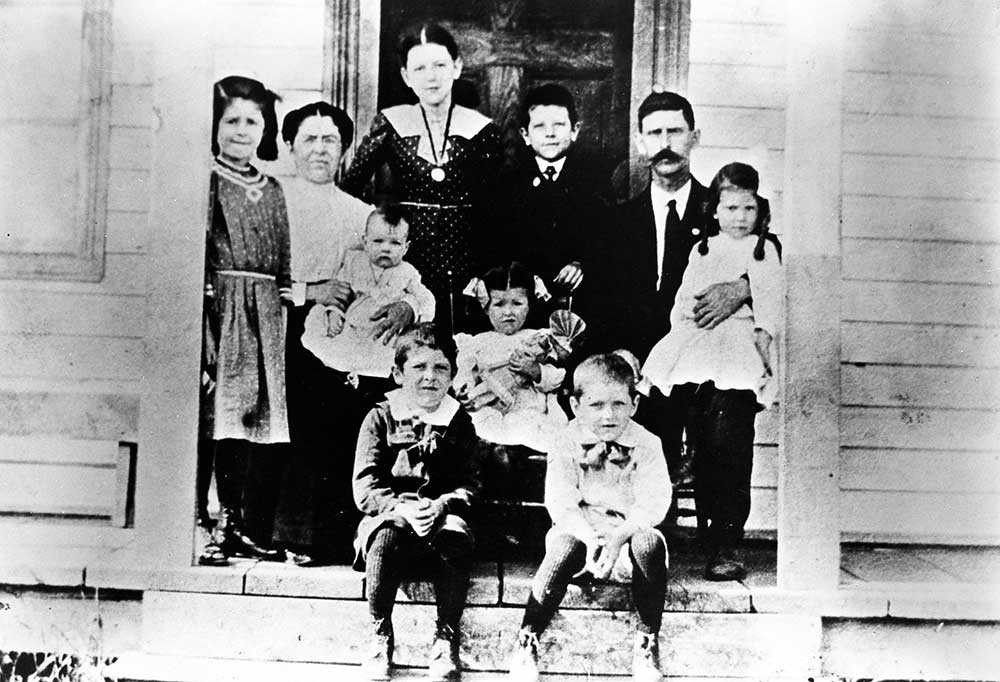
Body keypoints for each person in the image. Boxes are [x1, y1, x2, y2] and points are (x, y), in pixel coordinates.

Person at [598, 91, 779, 490]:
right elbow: (604, 300)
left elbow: (767, 247)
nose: (665, 143)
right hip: (643, 354)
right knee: (636, 423)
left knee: (727, 415)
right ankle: (649, 540)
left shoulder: (721, 209)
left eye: (675, 131)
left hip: (710, 347)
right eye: (655, 133)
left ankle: (722, 547)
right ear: (641, 141)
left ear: (694, 137)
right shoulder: (617, 222)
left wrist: (743, 287)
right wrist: (622, 352)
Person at [642, 163, 782, 581]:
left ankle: (726, 541)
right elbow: (684, 303)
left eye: (748, 208)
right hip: (698, 346)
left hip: (738, 351)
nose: (740, 217)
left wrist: (767, 360)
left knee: (728, 444)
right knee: (667, 406)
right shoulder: (702, 249)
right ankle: (673, 513)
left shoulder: (765, 249)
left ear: (760, 210)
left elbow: (769, 307)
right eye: (731, 207)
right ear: (715, 211)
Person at [506, 353, 671, 682]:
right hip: (579, 535)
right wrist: (592, 539)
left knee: (650, 543)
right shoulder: (565, 441)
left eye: (618, 404)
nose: (608, 415)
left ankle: (647, 639)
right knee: (564, 546)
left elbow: (654, 503)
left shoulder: (648, 443)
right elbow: (561, 502)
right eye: (596, 405)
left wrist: (616, 538)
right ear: (575, 405)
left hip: (625, 542)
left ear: (634, 404)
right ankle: (528, 636)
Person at [342, 23, 503, 333]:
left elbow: (496, 204)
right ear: (406, 76)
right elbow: (350, 189)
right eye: (420, 67)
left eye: (440, 65)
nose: (431, 76)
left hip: (466, 257)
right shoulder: (391, 123)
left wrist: (488, 269)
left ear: (456, 67)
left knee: (460, 340)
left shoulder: (482, 130)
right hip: (407, 255)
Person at [270, 101, 373, 566]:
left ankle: (332, 537)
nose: (319, 149)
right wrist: (313, 290)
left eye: (329, 140)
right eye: (308, 139)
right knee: (288, 427)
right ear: (291, 146)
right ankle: (284, 534)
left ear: (344, 149)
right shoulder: (273, 202)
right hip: (279, 326)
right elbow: (262, 278)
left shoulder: (361, 214)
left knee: (334, 423)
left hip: (340, 332)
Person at [352, 324, 482, 681]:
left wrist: (442, 505)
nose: (430, 378)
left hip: (441, 516)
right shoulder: (380, 417)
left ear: (453, 374)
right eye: (419, 368)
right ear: (398, 373)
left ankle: (445, 635)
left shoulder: (458, 422)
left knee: (455, 536)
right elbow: (365, 485)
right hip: (394, 514)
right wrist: (400, 508)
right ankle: (380, 633)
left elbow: (471, 485)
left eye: (440, 368)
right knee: (385, 536)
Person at [199, 75, 290, 565]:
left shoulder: (271, 187)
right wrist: (209, 326)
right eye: (231, 120)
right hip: (224, 305)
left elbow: (283, 259)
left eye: (252, 121)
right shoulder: (207, 181)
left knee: (260, 419)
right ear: (214, 125)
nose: (242, 130)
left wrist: (279, 306)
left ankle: (244, 525)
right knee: (225, 417)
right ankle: (214, 524)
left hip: (265, 310)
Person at [494, 84, 614, 307]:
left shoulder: (594, 178)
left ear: (575, 130)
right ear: (525, 135)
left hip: (579, 299)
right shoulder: (508, 181)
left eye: (559, 125)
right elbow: (500, 245)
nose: (550, 133)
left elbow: (606, 237)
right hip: (525, 302)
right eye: (539, 126)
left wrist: (582, 263)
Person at [301, 203, 435, 378]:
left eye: (395, 243)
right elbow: (340, 294)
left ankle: (365, 375)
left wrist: (419, 320)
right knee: (335, 350)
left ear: (406, 247)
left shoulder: (407, 272)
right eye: (378, 241)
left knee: (386, 358)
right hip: (352, 327)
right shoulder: (353, 262)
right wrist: (334, 313)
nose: (385, 248)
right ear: (365, 241)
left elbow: (425, 299)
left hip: (382, 334)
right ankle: (348, 373)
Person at [453, 262, 571, 455]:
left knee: (530, 425)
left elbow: (556, 377)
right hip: (490, 406)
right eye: (498, 304)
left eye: (517, 303)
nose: (508, 312)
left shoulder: (540, 338)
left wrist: (536, 371)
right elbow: (464, 373)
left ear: (529, 305)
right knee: (480, 425)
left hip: (529, 410)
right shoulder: (476, 342)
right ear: (485, 308)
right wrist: (463, 390)